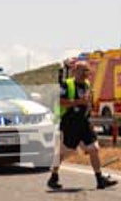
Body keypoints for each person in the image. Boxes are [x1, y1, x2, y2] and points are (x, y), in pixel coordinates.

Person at [45, 57, 116, 191]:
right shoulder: (67, 84)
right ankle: (53, 176)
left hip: (84, 123)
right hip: (70, 124)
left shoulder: (87, 84)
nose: (86, 73)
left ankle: (99, 179)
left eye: (87, 71)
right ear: (75, 71)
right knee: (64, 152)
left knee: (94, 149)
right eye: (83, 70)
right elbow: (60, 102)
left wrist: (90, 108)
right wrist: (78, 102)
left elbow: (87, 102)